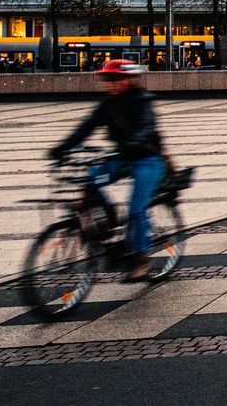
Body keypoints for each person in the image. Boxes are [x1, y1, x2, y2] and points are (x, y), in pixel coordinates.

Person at [48, 60, 166, 281]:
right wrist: (63, 148)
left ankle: (141, 259)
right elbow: (86, 127)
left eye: (115, 80)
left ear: (130, 80)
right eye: (107, 81)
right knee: (89, 181)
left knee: (136, 209)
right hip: (121, 158)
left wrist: (135, 141)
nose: (110, 85)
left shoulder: (142, 101)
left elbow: (145, 126)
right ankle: (110, 216)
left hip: (148, 159)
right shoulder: (108, 104)